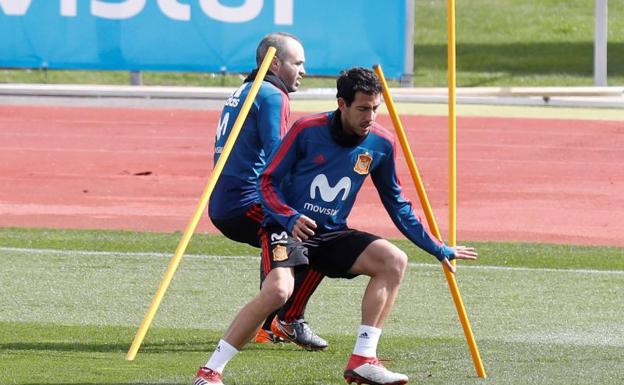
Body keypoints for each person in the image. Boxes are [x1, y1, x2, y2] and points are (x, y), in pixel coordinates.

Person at [194, 67, 478, 385]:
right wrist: (289, 217)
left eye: (375, 108)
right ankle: (209, 372)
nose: (370, 116)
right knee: (277, 292)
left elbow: (397, 204)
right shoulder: (306, 129)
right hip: (286, 228)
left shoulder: (382, 143)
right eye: (362, 108)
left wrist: (438, 248)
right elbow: (267, 181)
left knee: (393, 261)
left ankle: (363, 359)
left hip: (330, 233)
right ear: (341, 103)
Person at [207, 32, 326, 350]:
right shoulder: (274, 96)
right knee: (319, 235)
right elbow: (279, 154)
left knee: (281, 243)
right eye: (298, 63)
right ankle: (288, 320)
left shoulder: (245, 90)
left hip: (225, 199)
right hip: (244, 201)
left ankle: (269, 324)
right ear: (275, 64)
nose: (304, 70)